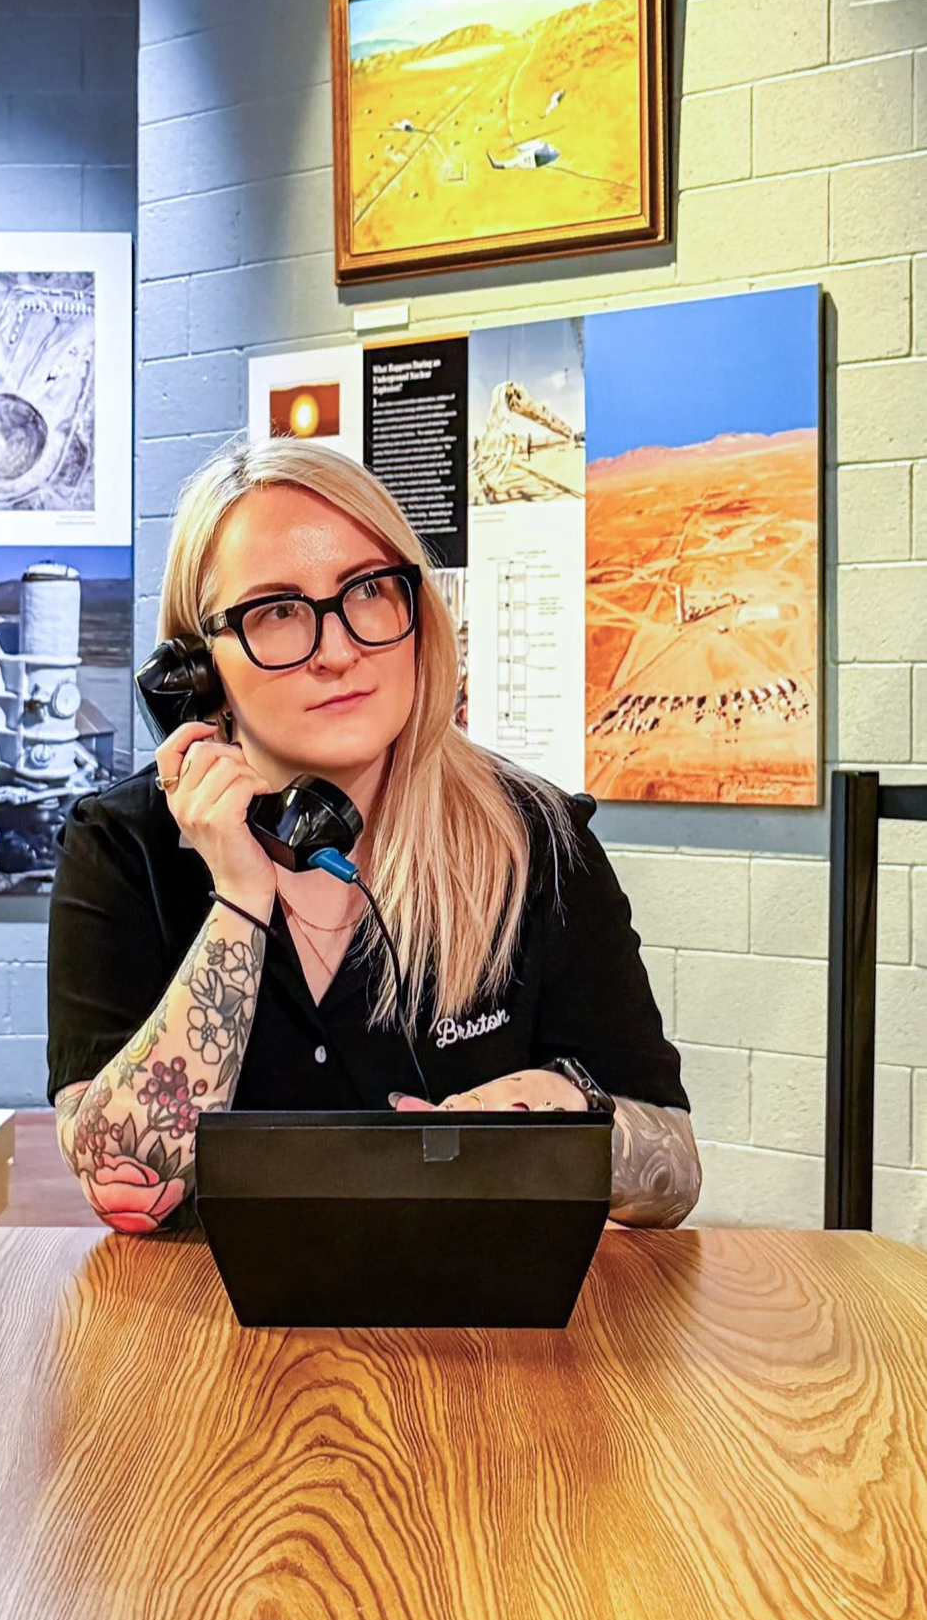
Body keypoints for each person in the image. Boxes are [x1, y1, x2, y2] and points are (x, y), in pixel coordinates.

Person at [48, 438, 701, 1235]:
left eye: (367, 591)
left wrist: (561, 1115)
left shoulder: (536, 838)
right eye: (277, 611)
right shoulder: (122, 846)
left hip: (472, 1302)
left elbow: (673, 1173)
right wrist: (240, 899)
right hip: (206, 1307)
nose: (338, 650)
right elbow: (124, 1180)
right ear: (196, 668)